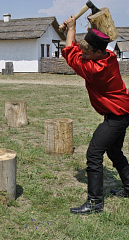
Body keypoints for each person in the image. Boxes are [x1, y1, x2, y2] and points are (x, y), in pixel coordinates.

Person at [60, 15, 129, 214]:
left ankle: (95, 203)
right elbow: (76, 49)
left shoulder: (95, 69)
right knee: (114, 152)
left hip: (118, 115)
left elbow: (69, 53)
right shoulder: (109, 56)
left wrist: (71, 29)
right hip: (121, 111)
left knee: (94, 153)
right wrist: (70, 32)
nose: (84, 56)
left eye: (87, 53)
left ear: (98, 52)